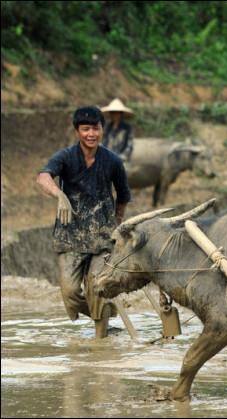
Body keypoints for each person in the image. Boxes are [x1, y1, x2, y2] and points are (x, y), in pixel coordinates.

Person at [36, 106, 132, 338]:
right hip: (70, 237)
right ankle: (104, 313)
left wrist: (116, 226)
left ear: (102, 129)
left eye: (95, 128)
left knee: (97, 287)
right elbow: (43, 176)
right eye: (85, 129)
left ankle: (101, 342)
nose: (91, 134)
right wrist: (59, 195)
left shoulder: (112, 161)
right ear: (77, 131)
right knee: (69, 292)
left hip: (102, 237)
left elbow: (123, 196)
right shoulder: (66, 157)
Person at [101, 98, 134, 162]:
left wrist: (121, 158)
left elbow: (129, 146)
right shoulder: (107, 128)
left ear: (121, 114)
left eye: (117, 113)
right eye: (113, 113)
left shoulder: (127, 128)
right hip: (107, 159)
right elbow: (103, 143)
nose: (115, 115)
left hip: (122, 160)